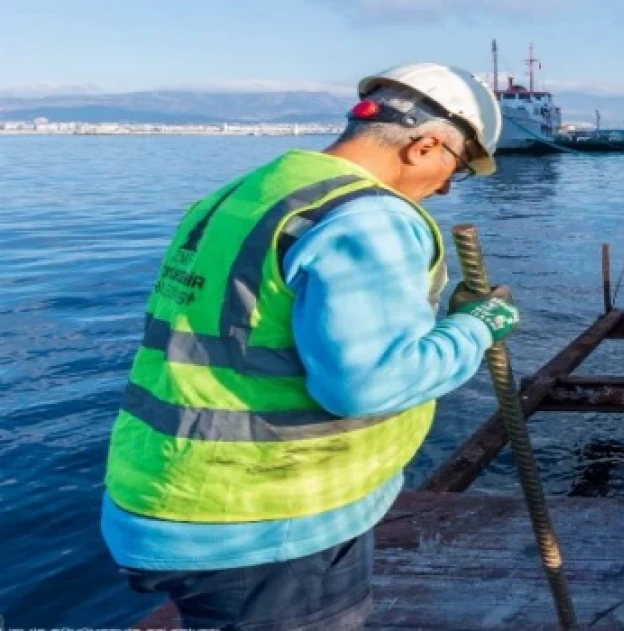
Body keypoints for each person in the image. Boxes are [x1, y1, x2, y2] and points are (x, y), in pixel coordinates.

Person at [99, 63, 517, 630]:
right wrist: (479, 326)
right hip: (269, 520)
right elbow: (369, 385)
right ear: (423, 147)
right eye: (457, 167)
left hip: (160, 498)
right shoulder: (368, 218)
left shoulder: (245, 193)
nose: (445, 187)